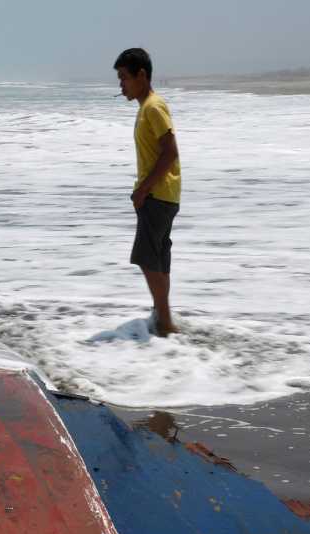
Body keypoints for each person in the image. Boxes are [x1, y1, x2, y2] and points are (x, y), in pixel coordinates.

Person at [114, 47, 181, 337]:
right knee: (158, 260)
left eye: (124, 77)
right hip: (164, 195)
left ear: (141, 75)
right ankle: (162, 318)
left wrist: (143, 190)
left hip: (157, 196)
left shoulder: (153, 107)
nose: (121, 85)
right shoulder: (147, 108)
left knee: (146, 258)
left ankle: (165, 322)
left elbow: (170, 152)